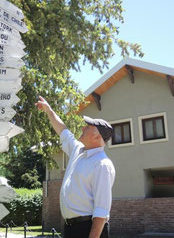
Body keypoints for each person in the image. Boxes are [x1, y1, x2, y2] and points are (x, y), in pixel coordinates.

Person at [36, 96, 116, 238]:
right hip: (71, 228)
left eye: (88, 127)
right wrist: (49, 111)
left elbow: (101, 211)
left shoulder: (102, 164)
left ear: (97, 138)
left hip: (88, 230)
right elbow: (63, 130)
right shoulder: (78, 150)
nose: (83, 127)